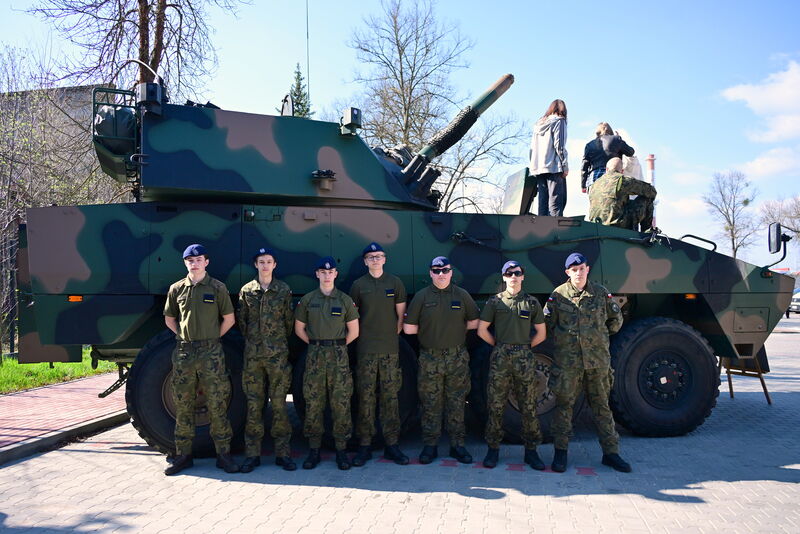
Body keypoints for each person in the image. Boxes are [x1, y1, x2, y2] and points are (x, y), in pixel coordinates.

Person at [543, 252, 631, 473]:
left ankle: (611, 454)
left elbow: (616, 321)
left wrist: (597, 341)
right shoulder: (558, 296)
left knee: (602, 407)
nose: (579, 273)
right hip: (568, 364)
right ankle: (560, 454)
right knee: (564, 408)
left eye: (582, 268)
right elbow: (548, 324)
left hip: (597, 362)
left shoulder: (600, 293)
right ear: (568, 273)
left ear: (587, 269)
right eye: (574, 270)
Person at [162, 244, 238, 476]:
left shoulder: (217, 288)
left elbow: (229, 318)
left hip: (211, 353)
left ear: (206, 262)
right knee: (184, 405)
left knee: (217, 403)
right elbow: (169, 318)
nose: (194, 263)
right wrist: (183, 336)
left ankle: (223, 454)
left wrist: (212, 338)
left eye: (198, 260)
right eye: (190, 260)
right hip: (185, 353)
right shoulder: (177, 289)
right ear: (185, 263)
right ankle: (183, 455)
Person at [403, 256, 479, 465]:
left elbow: (474, 322)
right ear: (430, 273)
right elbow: (409, 328)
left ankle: (457, 445)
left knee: (457, 401)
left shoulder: (462, 295)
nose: (441, 274)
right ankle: (430, 445)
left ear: (451, 272)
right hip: (430, 358)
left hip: (457, 358)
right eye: (436, 271)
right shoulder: (422, 297)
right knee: (430, 403)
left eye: (445, 270)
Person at [477, 260, 547, 470]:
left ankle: (531, 452)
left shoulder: (531, 303)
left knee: (528, 405)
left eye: (517, 273)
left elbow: (542, 334)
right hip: (500, 358)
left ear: (522, 276)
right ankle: (493, 450)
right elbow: (482, 330)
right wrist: (499, 346)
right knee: (496, 405)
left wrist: (524, 348)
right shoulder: (495, 302)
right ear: (504, 277)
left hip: (524, 358)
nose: (514, 277)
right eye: (509, 273)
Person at [294, 256, 359, 470]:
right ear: (317, 274)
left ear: (336, 274)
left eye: (330, 272)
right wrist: (316, 344)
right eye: (323, 272)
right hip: (315, 355)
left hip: (339, 356)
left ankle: (341, 450)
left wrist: (337, 345)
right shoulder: (308, 300)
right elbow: (299, 329)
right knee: (313, 403)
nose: (327, 275)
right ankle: (314, 450)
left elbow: (354, 331)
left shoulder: (345, 301)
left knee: (340, 404)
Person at [349, 243, 410, 467]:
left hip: (390, 350)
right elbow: (353, 316)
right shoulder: (358, 285)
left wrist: (391, 333)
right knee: (365, 398)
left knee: (390, 398)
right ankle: (365, 445)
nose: (375, 260)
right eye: (370, 257)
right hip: (365, 350)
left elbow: (401, 315)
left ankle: (392, 444)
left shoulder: (395, 283)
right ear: (365, 262)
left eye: (379, 256)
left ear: (384, 259)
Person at [237, 247, 295, 473]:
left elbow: (288, 322)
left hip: (277, 356)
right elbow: (242, 322)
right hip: (253, 357)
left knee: (279, 405)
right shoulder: (246, 291)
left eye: (269, 261)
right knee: (254, 406)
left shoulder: (283, 290)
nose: (265, 265)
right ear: (256, 265)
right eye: (261, 261)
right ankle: (253, 455)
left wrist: (275, 343)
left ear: (274, 265)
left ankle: (283, 454)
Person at [521, 99, 569, 216]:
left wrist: (534, 166)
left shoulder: (538, 125)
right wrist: (564, 165)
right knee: (556, 203)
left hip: (538, 167)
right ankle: (555, 232)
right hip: (553, 166)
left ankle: (543, 231)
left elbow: (532, 148)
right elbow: (560, 145)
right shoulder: (559, 121)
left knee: (542, 202)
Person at [588, 157, 657, 231]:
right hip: (617, 225)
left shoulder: (593, 185)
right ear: (622, 171)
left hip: (596, 225)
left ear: (606, 169)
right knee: (647, 197)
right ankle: (647, 234)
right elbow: (652, 191)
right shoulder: (622, 180)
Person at [580, 122, 635, 192]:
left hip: (594, 177)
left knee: (596, 201)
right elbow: (630, 152)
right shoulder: (616, 139)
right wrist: (620, 140)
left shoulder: (589, 145)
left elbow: (584, 167)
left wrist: (583, 185)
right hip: (613, 176)